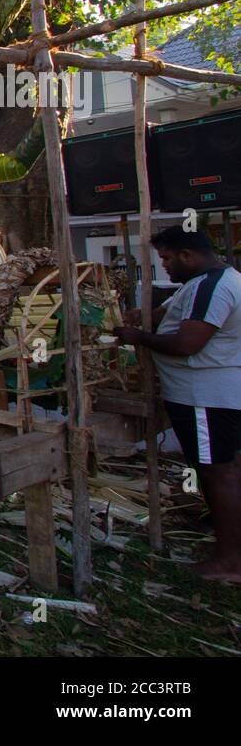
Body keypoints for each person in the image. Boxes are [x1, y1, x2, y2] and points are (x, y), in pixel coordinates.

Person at [114, 226, 241, 583]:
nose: (165, 266)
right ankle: (228, 539)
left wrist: (138, 338)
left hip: (204, 396)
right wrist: (143, 317)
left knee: (217, 472)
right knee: (227, 468)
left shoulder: (212, 288)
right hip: (216, 394)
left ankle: (230, 561)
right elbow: (169, 313)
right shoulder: (205, 283)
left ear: (188, 255)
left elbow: (188, 344)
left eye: (167, 258)